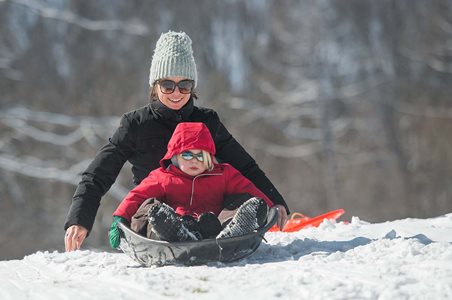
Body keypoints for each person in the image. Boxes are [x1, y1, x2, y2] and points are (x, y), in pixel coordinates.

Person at [64, 31, 289, 251]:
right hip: (157, 213)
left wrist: (275, 202)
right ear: (155, 85)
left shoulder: (206, 121)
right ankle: (172, 232)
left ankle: (232, 231)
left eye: (184, 86)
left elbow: (244, 167)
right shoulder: (136, 124)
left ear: (193, 87)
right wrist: (79, 219)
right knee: (150, 211)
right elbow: (98, 175)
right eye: (167, 85)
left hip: (207, 215)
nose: (176, 93)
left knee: (238, 201)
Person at [108, 122, 275, 248]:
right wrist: (120, 218)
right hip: (175, 226)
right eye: (187, 155)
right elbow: (137, 195)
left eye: (200, 156)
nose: (194, 160)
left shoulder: (223, 174)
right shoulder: (163, 176)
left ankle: (233, 231)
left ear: (209, 158)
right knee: (149, 207)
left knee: (243, 200)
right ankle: (173, 233)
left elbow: (250, 191)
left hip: (215, 227)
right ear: (176, 156)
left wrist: (269, 207)